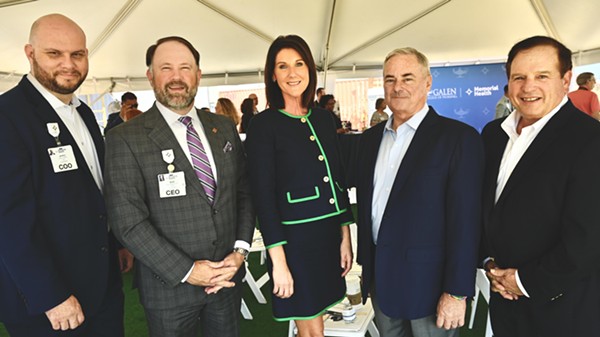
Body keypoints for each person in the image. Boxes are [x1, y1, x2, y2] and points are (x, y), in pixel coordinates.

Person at [104, 36, 254, 337]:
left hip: (226, 281)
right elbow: (128, 221)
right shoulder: (125, 138)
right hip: (168, 290)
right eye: (166, 68)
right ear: (150, 76)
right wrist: (188, 270)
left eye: (185, 68)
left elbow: (243, 193)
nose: (176, 77)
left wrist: (240, 252)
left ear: (198, 75)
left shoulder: (222, 127)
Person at [0, 14, 125, 336]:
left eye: (78, 54)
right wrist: (50, 295)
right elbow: (9, 220)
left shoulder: (82, 111)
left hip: (101, 284)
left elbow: (94, 189)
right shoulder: (8, 116)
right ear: (30, 54)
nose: (68, 64)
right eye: (54, 54)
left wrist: (116, 244)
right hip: (50, 302)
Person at [356, 47, 484, 337]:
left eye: (407, 78)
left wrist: (456, 292)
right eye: (390, 79)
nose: (397, 87)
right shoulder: (370, 140)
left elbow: (466, 222)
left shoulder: (458, 139)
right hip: (381, 279)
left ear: (428, 83)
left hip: (431, 285)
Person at [481, 36, 600, 337]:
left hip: (561, 308)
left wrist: (522, 282)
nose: (528, 87)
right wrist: (489, 264)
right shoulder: (493, 134)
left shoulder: (590, 140)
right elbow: (484, 208)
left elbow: (588, 239)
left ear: (566, 79)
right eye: (518, 77)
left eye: (541, 76)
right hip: (503, 303)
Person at [245, 35, 354, 337]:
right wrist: (278, 262)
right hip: (295, 243)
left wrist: (345, 236)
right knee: (310, 326)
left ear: (310, 68)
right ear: (272, 75)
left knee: (317, 316)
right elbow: (263, 199)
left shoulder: (323, 119)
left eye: (299, 64)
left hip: (328, 237)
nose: (292, 74)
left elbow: (337, 179)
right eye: (283, 66)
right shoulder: (263, 125)